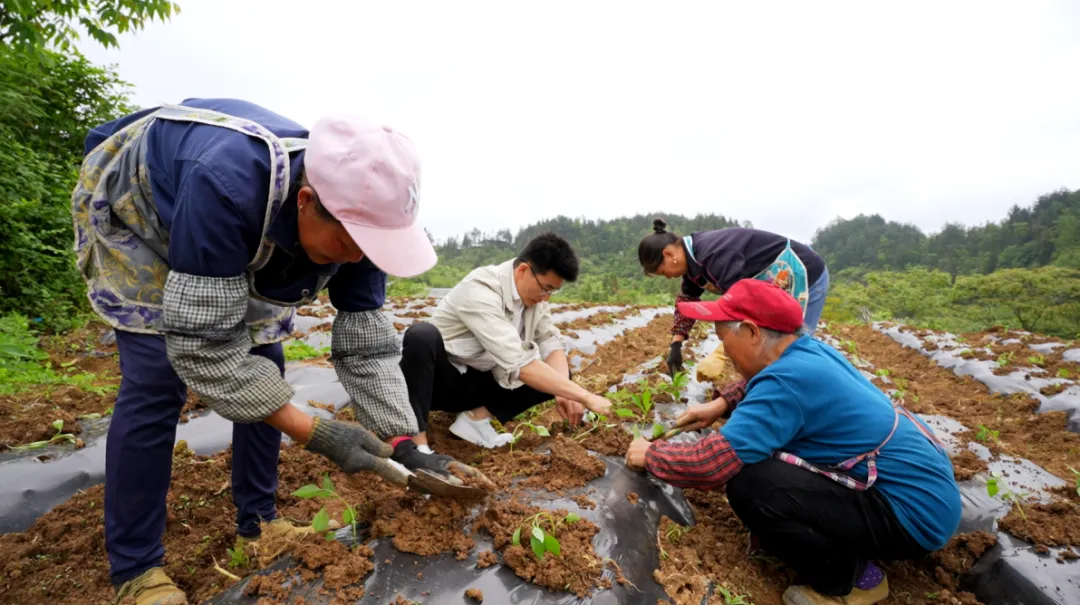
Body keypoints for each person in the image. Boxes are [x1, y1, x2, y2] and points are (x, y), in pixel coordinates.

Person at [74, 98, 479, 605]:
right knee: (157, 377)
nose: (357, 258)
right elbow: (205, 348)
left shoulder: (359, 225)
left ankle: (259, 524)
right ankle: (136, 571)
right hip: (146, 214)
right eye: (350, 242)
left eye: (369, 247)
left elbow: (369, 350)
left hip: (241, 228)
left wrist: (409, 447)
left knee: (266, 358)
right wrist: (321, 434)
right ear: (307, 201)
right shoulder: (226, 181)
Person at [625, 279, 961, 605]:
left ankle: (851, 582)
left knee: (751, 485)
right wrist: (721, 404)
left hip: (912, 515)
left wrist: (653, 454)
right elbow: (763, 387)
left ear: (752, 332)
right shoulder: (805, 351)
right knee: (763, 462)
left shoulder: (785, 382)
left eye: (724, 340)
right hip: (924, 493)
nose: (724, 352)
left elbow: (712, 465)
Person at [397, 233, 613, 449]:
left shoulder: (535, 301)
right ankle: (417, 441)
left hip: (477, 382)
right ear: (523, 271)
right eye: (546, 288)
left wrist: (565, 391)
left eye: (553, 291)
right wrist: (585, 396)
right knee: (421, 335)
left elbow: (550, 341)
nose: (547, 297)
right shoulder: (480, 289)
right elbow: (519, 363)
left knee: (558, 375)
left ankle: (475, 421)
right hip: (438, 385)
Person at [637, 218, 830, 377]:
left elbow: (744, 312)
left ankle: (810, 394)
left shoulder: (716, 255)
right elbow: (687, 299)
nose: (668, 277)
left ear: (669, 254)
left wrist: (720, 355)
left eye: (663, 271)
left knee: (791, 347)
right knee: (769, 351)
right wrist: (676, 344)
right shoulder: (692, 263)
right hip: (776, 287)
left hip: (804, 276)